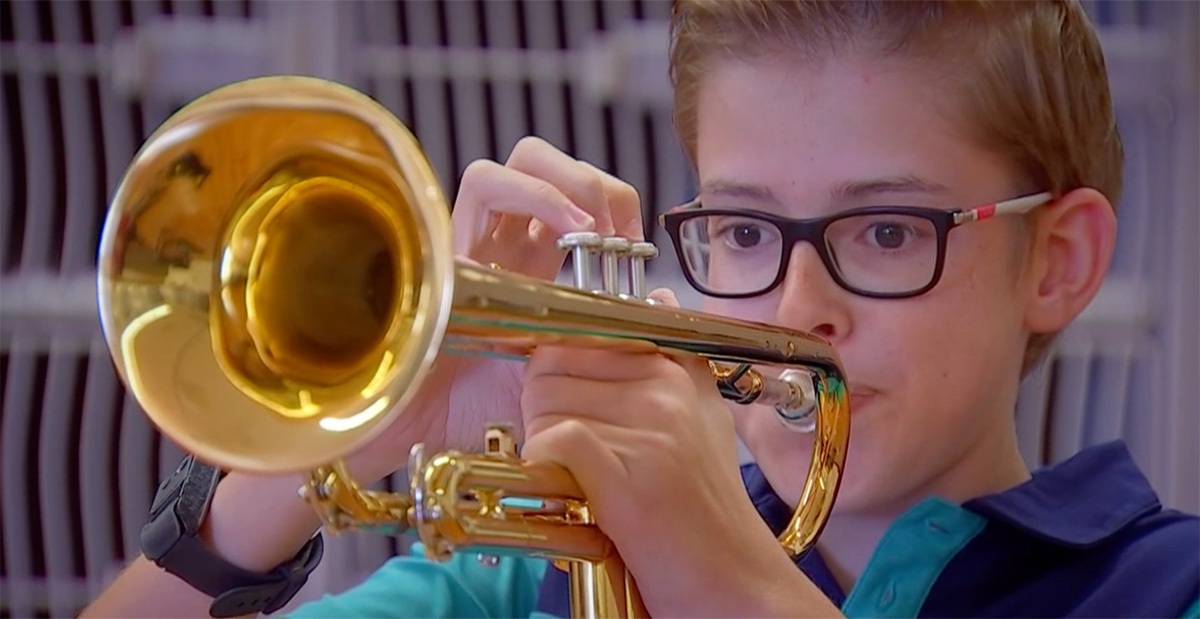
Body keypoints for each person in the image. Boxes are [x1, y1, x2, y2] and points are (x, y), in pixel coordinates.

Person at [81, 1, 1199, 617]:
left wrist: (723, 567)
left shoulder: (1164, 587)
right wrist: (327, 438)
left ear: (1058, 259)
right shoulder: (539, 581)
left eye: (887, 230)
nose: (800, 307)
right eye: (749, 232)